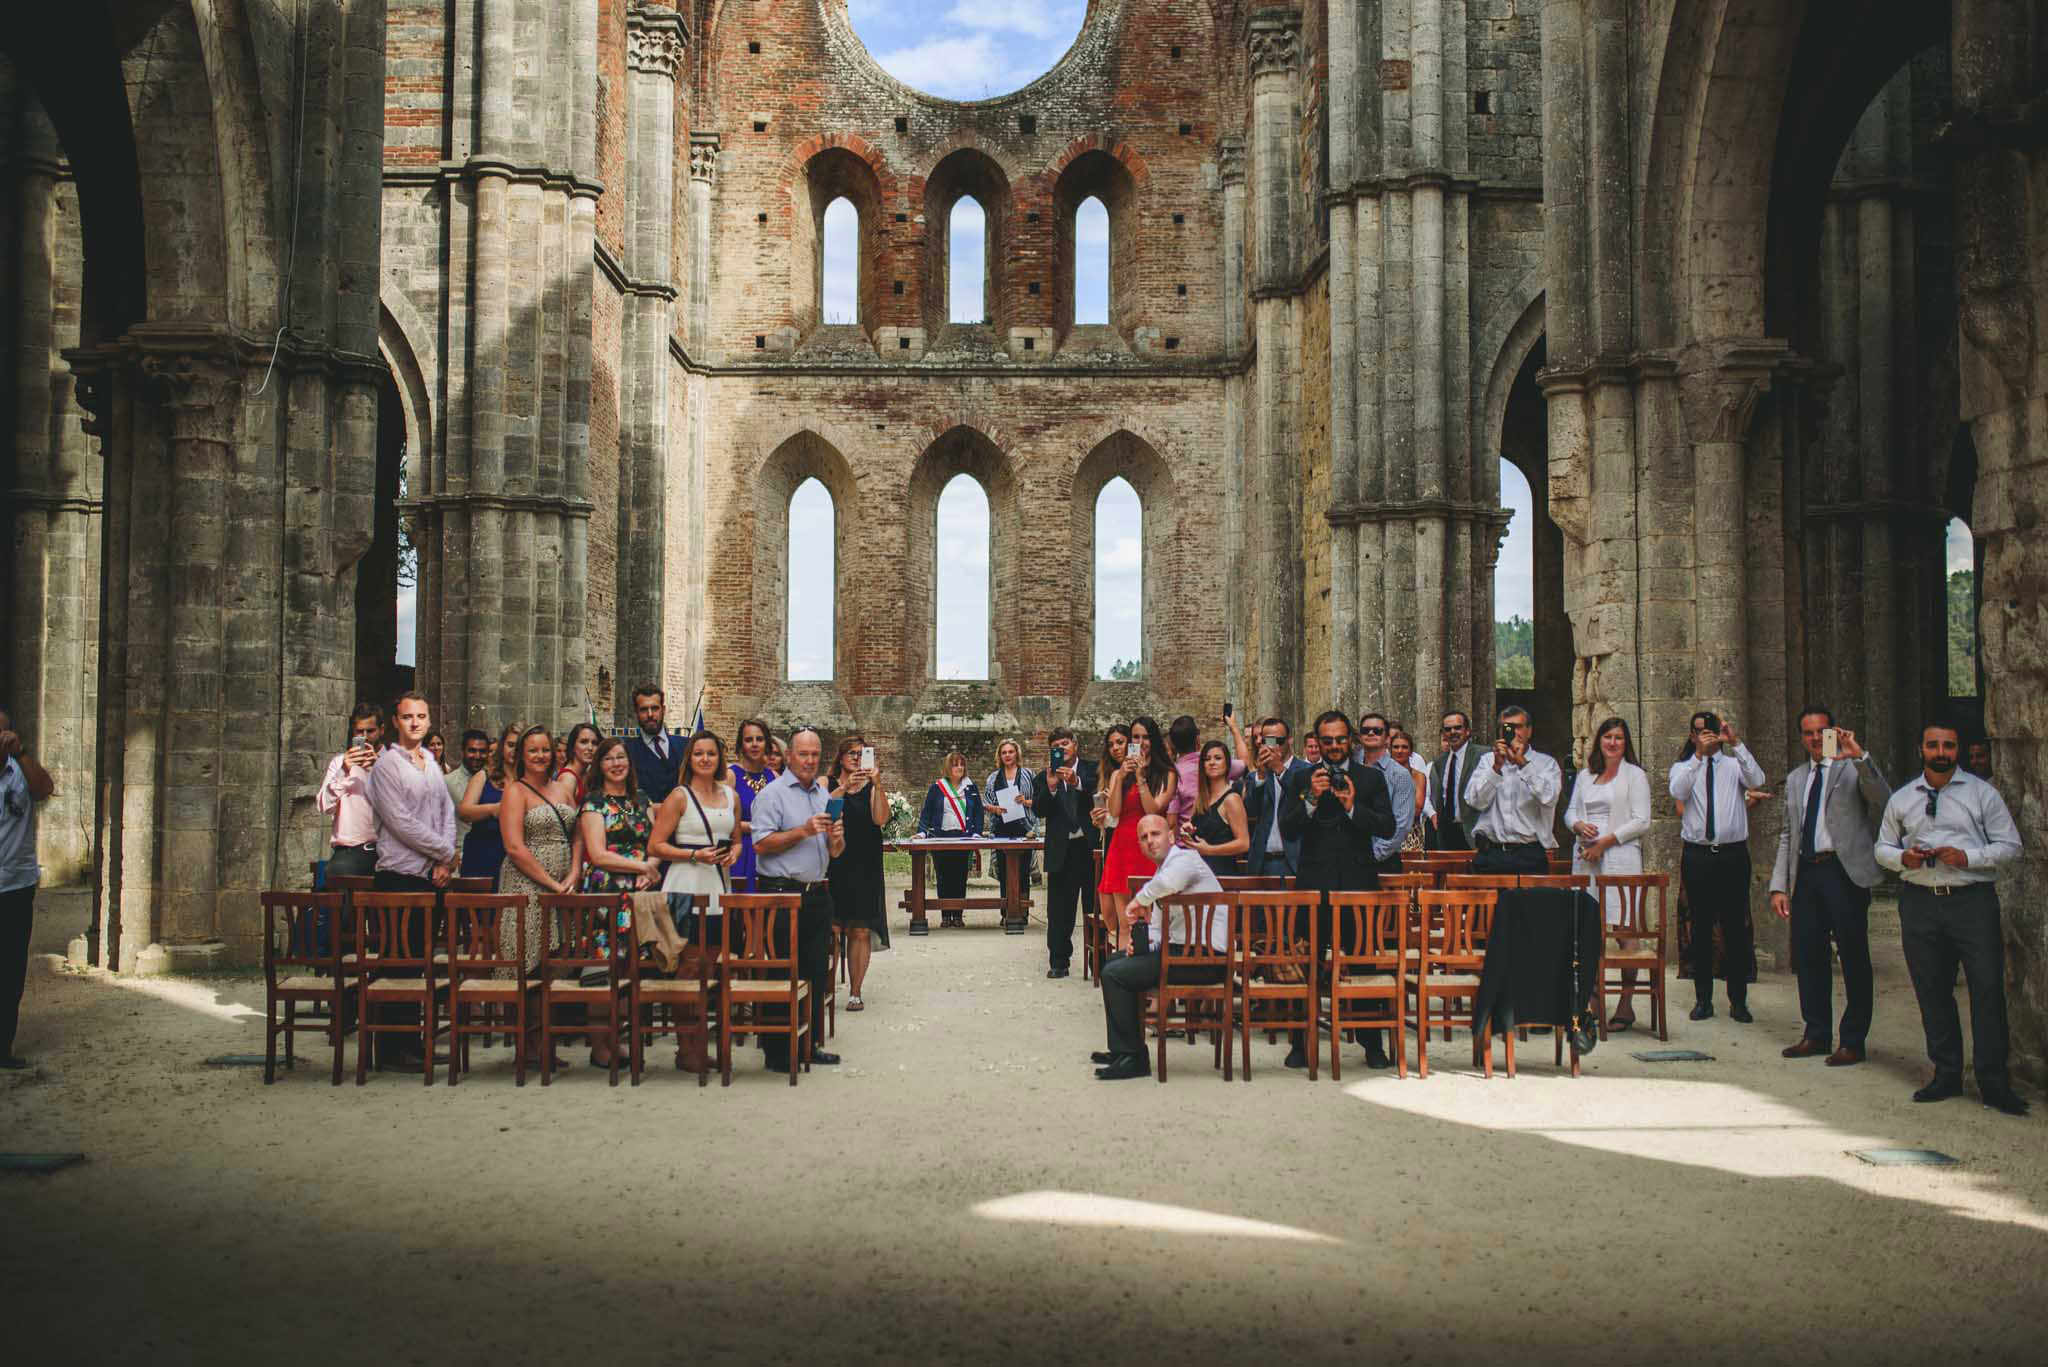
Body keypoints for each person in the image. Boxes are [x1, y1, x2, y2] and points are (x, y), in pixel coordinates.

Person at [1876, 720, 2028, 1115]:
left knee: (1987, 989)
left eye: (1948, 745)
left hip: (1971, 902)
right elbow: (1882, 847)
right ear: (1921, 749)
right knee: (1932, 989)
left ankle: (1994, 1083)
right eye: (1933, 745)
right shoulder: (1903, 798)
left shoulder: (1983, 794)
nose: (1941, 752)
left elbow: (2011, 846)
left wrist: (1969, 858)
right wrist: (1901, 858)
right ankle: (1945, 1075)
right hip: (1920, 902)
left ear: (1957, 750)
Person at [1767, 709, 1892, 1066]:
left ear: (1834, 733)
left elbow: (1884, 801)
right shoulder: (1795, 779)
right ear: (1801, 737)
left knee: (1853, 957)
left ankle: (1853, 1040)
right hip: (1807, 873)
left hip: (1844, 872)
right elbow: (1788, 834)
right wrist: (1779, 885)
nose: (1815, 738)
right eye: (1808, 733)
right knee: (1809, 957)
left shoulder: (1852, 769)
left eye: (1822, 731)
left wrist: (1861, 757)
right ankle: (1816, 1033)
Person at [1280, 710, 1396, 1069]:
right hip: (1313, 886)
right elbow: (1288, 829)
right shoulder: (1300, 778)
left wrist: (1351, 806)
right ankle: (1300, 1042)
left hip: (1357, 886)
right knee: (1307, 963)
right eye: (1326, 740)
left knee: (1362, 963)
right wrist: (1311, 800)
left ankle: (1371, 1042)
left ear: (1351, 740)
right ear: (1317, 741)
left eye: (1340, 739)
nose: (1333, 746)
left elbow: (1388, 827)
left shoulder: (1369, 779)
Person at [1090, 815, 1228, 1081]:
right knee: (1116, 961)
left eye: (1156, 834)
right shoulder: (1163, 870)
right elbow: (1157, 925)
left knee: (1114, 974)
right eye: (1144, 837)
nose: (1150, 841)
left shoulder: (1185, 859)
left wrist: (1137, 900)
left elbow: (1169, 884)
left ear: (1171, 837)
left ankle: (1134, 1059)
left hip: (1206, 960)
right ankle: (1123, 1050)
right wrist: (1140, 945)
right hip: (1179, 955)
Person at [366, 693, 459, 1069]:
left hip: (431, 878)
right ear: (395, 721)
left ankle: (415, 1042)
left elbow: (446, 811)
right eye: (408, 717)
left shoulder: (432, 763)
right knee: (397, 963)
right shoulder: (387, 765)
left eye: (422, 716)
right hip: (399, 876)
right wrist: (443, 852)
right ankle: (391, 1049)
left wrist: (446, 860)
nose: (416, 723)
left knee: (419, 961)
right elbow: (400, 822)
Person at [749, 727, 845, 1069]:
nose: (809, 760)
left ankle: (809, 1043)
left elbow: (835, 850)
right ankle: (778, 1052)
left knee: (815, 970)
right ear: (789, 756)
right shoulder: (772, 795)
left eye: (815, 754)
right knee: (783, 971)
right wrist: (804, 830)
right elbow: (760, 843)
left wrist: (836, 839)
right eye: (803, 754)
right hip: (780, 894)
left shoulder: (822, 796)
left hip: (817, 893)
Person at [1666, 710, 1766, 1022]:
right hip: (1698, 854)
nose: (1704, 735)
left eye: (1710, 730)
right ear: (1691, 736)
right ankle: (1703, 999)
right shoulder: (1684, 767)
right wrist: (1698, 756)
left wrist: (1736, 743)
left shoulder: (1734, 765)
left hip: (1732, 854)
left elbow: (1757, 779)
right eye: (1697, 731)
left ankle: (1738, 1000)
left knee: (1736, 927)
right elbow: (1677, 792)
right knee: (1700, 928)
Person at [497, 726, 582, 1068]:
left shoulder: (563, 789)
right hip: (527, 885)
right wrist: (549, 881)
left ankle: (546, 1041)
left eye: (545, 750)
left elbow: (577, 834)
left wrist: (574, 872)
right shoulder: (515, 792)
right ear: (522, 756)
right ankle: (527, 1045)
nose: (540, 756)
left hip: (563, 883)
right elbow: (514, 846)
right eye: (532, 750)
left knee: (554, 963)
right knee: (529, 961)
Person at [1564, 717, 1653, 1028]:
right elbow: (1570, 811)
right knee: (1590, 932)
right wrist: (1578, 825)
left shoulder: (1635, 776)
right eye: (1607, 737)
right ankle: (1593, 1000)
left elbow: (1642, 820)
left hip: (1621, 858)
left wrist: (1605, 842)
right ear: (1599, 741)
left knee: (1625, 930)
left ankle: (1626, 1005)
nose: (1613, 742)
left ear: (1625, 742)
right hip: (1587, 858)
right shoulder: (1587, 776)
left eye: (1619, 737)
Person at [652, 730, 743, 956]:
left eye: (711, 754)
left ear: (719, 759)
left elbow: (738, 840)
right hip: (685, 884)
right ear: (689, 759)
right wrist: (694, 855)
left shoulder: (732, 797)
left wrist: (735, 853)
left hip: (719, 883)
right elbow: (655, 846)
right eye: (698, 753)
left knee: (715, 956)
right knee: (688, 959)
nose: (705, 759)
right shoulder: (679, 796)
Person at [1, 709, 55, 1070]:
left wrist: (20, 754)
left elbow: (45, 789)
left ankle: (2, 1048)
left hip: (16, 885)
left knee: (10, 969)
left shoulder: (20, 770)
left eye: (3, 731)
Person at [1099, 716, 1176, 955]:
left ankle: (1147, 972)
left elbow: (1154, 809)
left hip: (1150, 848)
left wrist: (1141, 779)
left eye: (1145, 737)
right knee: (1124, 922)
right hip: (1122, 846)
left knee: (1151, 921)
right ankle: (1125, 972)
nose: (1140, 742)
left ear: (1153, 740)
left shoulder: (1166, 773)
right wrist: (1120, 777)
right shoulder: (1118, 774)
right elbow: (1114, 812)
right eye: (1136, 737)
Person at [1463, 705, 1563, 875]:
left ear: (1529, 731)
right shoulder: (1488, 761)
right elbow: (1474, 801)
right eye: (1507, 728)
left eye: (1518, 727)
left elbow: (1549, 798)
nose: (1513, 733)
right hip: (1492, 852)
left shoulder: (1546, 763)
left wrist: (1522, 764)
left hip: (1529, 853)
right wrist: (1496, 768)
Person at [828, 736, 889, 1008]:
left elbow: (880, 819)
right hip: (834, 860)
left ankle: (855, 991)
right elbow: (823, 811)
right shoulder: (827, 784)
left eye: (860, 753)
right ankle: (825, 990)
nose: (855, 758)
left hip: (865, 863)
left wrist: (876, 783)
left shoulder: (872, 786)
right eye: (850, 753)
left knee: (861, 930)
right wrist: (844, 788)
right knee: (832, 929)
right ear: (840, 757)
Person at [1033, 726, 1099, 979]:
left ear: (1075, 745)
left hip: (1089, 846)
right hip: (1062, 849)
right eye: (1055, 747)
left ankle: (1098, 960)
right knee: (1060, 911)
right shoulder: (1045, 776)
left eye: (1065, 743)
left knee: (1095, 907)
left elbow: (1098, 795)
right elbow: (1039, 811)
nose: (1061, 749)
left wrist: (1077, 782)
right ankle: (1059, 961)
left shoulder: (1092, 769)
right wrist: (1050, 788)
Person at [317, 703, 386, 882]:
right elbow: (324, 806)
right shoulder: (339, 762)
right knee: (338, 876)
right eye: (359, 732)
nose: (364, 738)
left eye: (370, 731)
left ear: (381, 730)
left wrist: (378, 768)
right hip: (350, 852)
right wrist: (344, 771)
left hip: (388, 850)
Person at [917, 752, 983, 927]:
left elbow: (978, 812)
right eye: (955, 764)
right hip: (941, 837)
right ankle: (946, 915)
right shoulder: (937, 787)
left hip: (963, 837)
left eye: (962, 764)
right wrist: (922, 833)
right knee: (943, 876)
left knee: (960, 877)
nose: (959, 767)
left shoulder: (971, 787)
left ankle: (958, 915)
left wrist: (977, 833)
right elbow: (927, 813)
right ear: (948, 767)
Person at [1242, 717, 1308, 877]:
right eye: (1267, 740)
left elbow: (1305, 807)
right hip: (1261, 862)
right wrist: (1261, 775)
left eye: (1279, 740)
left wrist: (1280, 769)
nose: (1273, 746)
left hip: (1295, 861)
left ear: (1290, 740)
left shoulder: (1307, 771)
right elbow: (1250, 812)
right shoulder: (1255, 776)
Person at [1353, 711, 1414, 875]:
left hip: (1382, 861)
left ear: (1387, 739)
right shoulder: (1349, 767)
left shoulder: (1399, 775)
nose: (1371, 733)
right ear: (1359, 737)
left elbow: (1401, 825)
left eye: (1377, 730)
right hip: (1348, 859)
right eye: (1366, 730)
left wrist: (1372, 855)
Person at [457, 723, 517, 884]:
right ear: (502, 746)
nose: (514, 750)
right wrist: (493, 809)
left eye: (519, 746)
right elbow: (464, 811)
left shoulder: (528, 782)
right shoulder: (484, 776)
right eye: (510, 745)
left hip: (514, 857)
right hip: (482, 853)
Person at [1168, 713, 1248, 828]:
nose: (1211, 763)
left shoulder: (1173, 774)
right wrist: (1233, 728)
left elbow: (1172, 822)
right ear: (1197, 739)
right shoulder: (1216, 764)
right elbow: (1244, 763)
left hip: (1186, 841)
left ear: (1172, 745)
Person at [1184, 739, 1250, 876]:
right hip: (1199, 872)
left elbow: (1244, 843)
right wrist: (1189, 832)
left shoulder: (1231, 799)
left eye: (1218, 758)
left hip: (1222, 874)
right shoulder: (1201, 798)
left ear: (1227, 763)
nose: (1212, 762)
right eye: (1207, 759)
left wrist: (1210, 850)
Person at [984, 738, 1037, 901]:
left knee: (1023, 872)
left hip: (1024, 829)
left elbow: (1040, 801)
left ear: (1016, 754)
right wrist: (995, 809)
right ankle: (1006, 912)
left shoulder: (1028, 775)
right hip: (1001, 830)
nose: (1007, 755)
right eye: (1004, 752)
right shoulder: (993, 777)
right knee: (1004, 872)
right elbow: (986, 803)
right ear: (999, 756)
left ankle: (1023, 912)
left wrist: (1026, 801)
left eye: (1010, 752)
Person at [729, 719, 776, 892]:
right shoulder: (731, 775)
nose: (755, 744)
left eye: (759, 739)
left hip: (768, 851)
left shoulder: (774, 776)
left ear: (767, 743)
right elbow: (721, 820)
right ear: (741, 745)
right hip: (740, 849)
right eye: (749, 740)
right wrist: (752, 827)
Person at [624, 683, 685, 804]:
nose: (650, 714)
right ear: (636, 713)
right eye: (644, 709)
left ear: (663, 710)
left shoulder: (685, 746)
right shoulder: (627, 751)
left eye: (655, 708)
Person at [1424, 710, 1477, 850]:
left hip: (1474, 833)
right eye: (1448, 729)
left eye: (1457, 727)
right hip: (1447, 834)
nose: (1452, 732)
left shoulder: (1482, 755)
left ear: (1467, 731)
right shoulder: (1439, 763)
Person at [1388, 726, 1430, 853]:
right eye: (1396, 747)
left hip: (1411, 835)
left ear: (1411, 751)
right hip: (1387, 834)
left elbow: (1417, 809)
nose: (1400, 751)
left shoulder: (1419, 776)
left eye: (1404, 747)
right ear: (1390, 750)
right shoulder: (1381, 774)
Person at [448, 728, 491, 847]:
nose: (477, 756)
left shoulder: (494, 783)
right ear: (462, 751)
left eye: (482, 751)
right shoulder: (447, 782)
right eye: (472, 751)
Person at [560, 722, 601, 801]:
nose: (590, 748)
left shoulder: (585, 774)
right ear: (573, 746)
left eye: (594, 743)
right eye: (584, 742)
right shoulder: (568, 779)